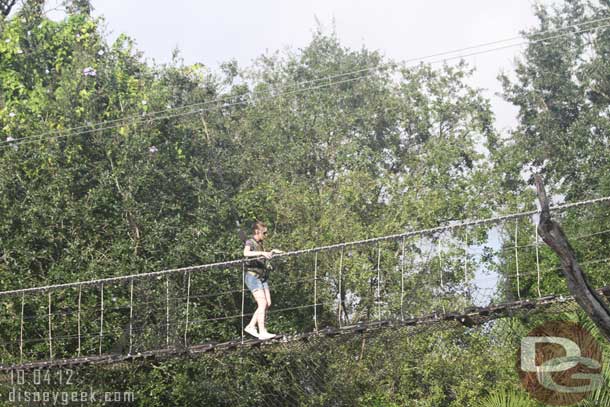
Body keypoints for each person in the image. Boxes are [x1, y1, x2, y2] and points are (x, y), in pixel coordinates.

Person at [243, 221, 283, 340]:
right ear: (257, 231)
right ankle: (262, 331)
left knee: (267, 303)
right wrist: (262, 253)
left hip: (262, 276)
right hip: (252, 277)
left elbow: (262, 257)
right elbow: (246, 253)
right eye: (264, 233)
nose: (266, 235)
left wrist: (272, 252)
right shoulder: (250, 242)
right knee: (262, 304)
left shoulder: (261, 243)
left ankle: (251, 326)